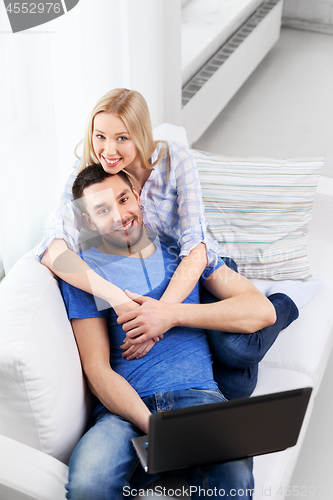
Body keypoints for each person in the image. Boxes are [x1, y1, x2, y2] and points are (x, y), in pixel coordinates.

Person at [39, 88, 320, 398]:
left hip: (198, 265)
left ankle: (285, 300)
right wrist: (118, 298)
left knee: (238, 351)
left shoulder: (174, 160)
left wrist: (164, 315)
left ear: (140, 134)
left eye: (122, 138)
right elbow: (54, 252)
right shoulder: (82, 177)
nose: (108, 149)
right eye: (100, 136)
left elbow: (196, 247)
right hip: (157, 275)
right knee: (236, 386)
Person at [60, 165, 274, 499]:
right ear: (89, 222)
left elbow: (261, 310)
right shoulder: (84, 273)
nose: (120, 215)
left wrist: (169, 314)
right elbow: (97, 368)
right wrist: (151, 425)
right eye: (103, 210)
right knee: (90, 483)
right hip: (123, 414)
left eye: (123, 199)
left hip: (197, 400)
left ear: (138, 197)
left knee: (233, 477)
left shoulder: (184, 252)